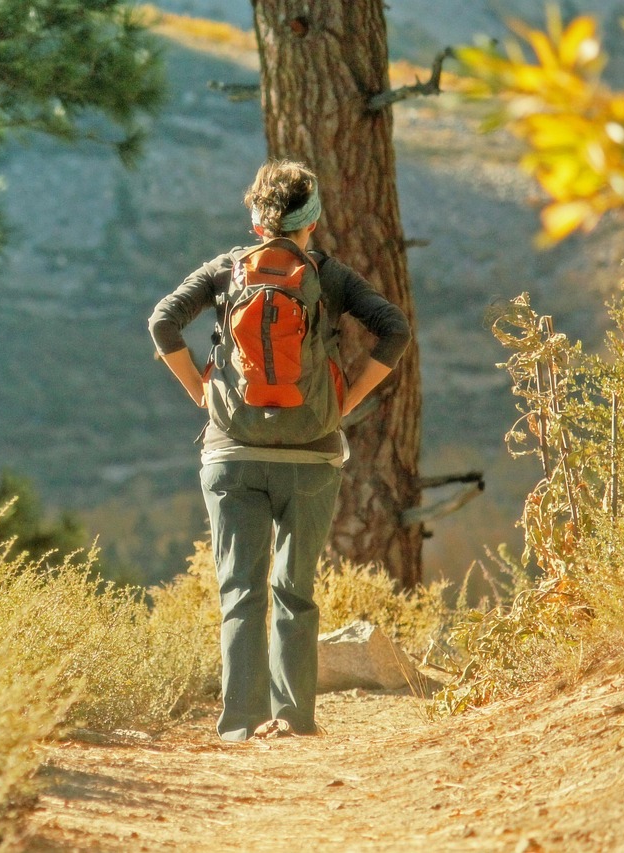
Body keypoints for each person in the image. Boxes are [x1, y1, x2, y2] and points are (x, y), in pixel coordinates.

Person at [147, 159, 411, 742]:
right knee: (295, 588)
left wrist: (201, 392)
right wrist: (343, 405)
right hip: (312, 454)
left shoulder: (225, 271)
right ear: (311, 221)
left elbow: (163, 321)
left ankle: (239, 725)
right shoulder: (330, 276)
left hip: (232, 452)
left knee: (239, 588)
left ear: (256, 216)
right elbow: (394, 329)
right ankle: (292, 720)